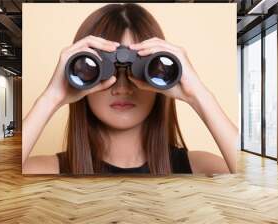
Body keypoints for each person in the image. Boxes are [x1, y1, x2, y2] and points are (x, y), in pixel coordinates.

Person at [22, 3, 238, 175]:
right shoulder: (48, 170)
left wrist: (198, 95)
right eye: (107, 71)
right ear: (78, 76)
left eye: (139, 69)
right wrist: (51, 98)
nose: (122, 88)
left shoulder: (202, 167)